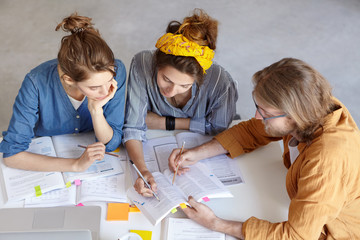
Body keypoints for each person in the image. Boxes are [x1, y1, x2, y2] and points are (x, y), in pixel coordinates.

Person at [168, 58, 360, 239]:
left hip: (334, 231)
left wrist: (215, 223)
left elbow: (296, 236)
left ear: (293, 115)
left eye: (265, 113)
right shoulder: (312, 107)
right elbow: (253, 130)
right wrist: (197, 153)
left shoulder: (325, 163)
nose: (258, 117)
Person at [123, 9, 238, 197]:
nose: (171, 91)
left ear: (199, 78)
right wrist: (143, 171)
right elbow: (133, 127)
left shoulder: (220, 80)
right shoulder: (143, 63)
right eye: (166, 79)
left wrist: (164, 122)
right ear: (157, 65)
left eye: (184, 85)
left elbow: (219, 127)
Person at [0, 13, 127, 172]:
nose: (106, 92)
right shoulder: (35, 83)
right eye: (93, 87)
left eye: (109, 81)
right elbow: (12, 155)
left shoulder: (118, 70)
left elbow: (112, 143)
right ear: (69, 80)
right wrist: (75, 165)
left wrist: (96, 112)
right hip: (45, 154)